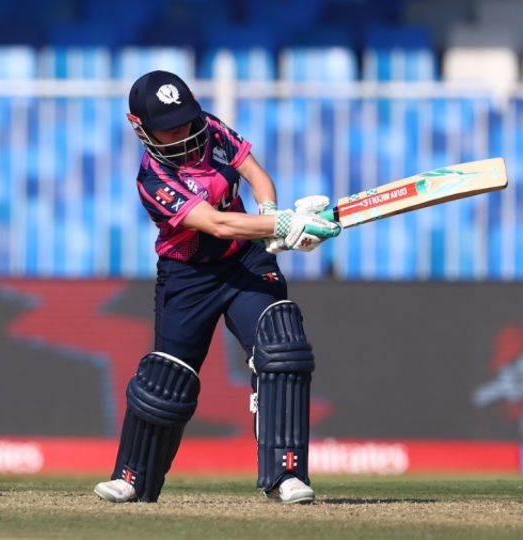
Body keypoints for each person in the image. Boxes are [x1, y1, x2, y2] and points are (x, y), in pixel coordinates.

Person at [93, 71, 341, 504]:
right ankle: (132, 478)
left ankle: (285, 475)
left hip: (244, 261)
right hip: (188, 276)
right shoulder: (152, 180)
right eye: (170, 127)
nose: (184, 132)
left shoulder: (210, 129)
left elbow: (257, 175)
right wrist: (282, 223)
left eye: (186, 120)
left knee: (281, 348)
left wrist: (272, 220)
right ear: (141, 128)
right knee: (167, 381)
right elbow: (217, 222)